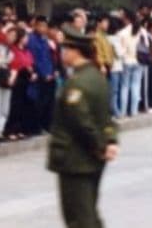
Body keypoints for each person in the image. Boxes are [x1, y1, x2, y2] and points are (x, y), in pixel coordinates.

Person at [47, 26, 118, 228]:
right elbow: (107, 116)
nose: (63, 54)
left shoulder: (76, 83)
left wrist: (99, 145)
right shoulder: (98, 79)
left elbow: (81, 122)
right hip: (93, 158)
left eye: (65, 49)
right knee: (89, 214)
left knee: (79, 218)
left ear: (74, 51)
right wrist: (110, 141)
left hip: (75, 159)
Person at [4, 28, 36, 140]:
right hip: (17, 80)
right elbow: (11, 64)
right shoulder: (13, 50)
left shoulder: (27, 51)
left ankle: (20, 129)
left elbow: (30, 63)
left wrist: (33, 73)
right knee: (15, 106)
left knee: (24, 106)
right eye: (25, 37)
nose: (27, 39)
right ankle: (10, 130)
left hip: (27, 80)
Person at [28, 17, 57, 131]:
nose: (43, 28)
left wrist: (52, 72)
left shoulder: (45, 40)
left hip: (49, 74)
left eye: (45, 26)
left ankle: (47, 125)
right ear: (35, 26)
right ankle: (37, 126)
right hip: (39, 76)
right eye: (40, 26)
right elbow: (35, 59)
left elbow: (48, 57)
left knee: (49, 102)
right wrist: (43, 74)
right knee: (38, 102)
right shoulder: (31, 40)